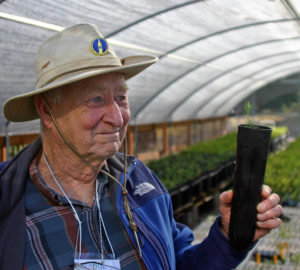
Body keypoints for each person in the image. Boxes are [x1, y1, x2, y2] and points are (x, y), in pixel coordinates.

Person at [0, 24, 282, 270]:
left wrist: (227, 237)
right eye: (95, 99)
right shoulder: (8, 201)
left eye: (121, 97)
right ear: (47, 111)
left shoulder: (138, 181)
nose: (117, 117)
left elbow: (179, 263)